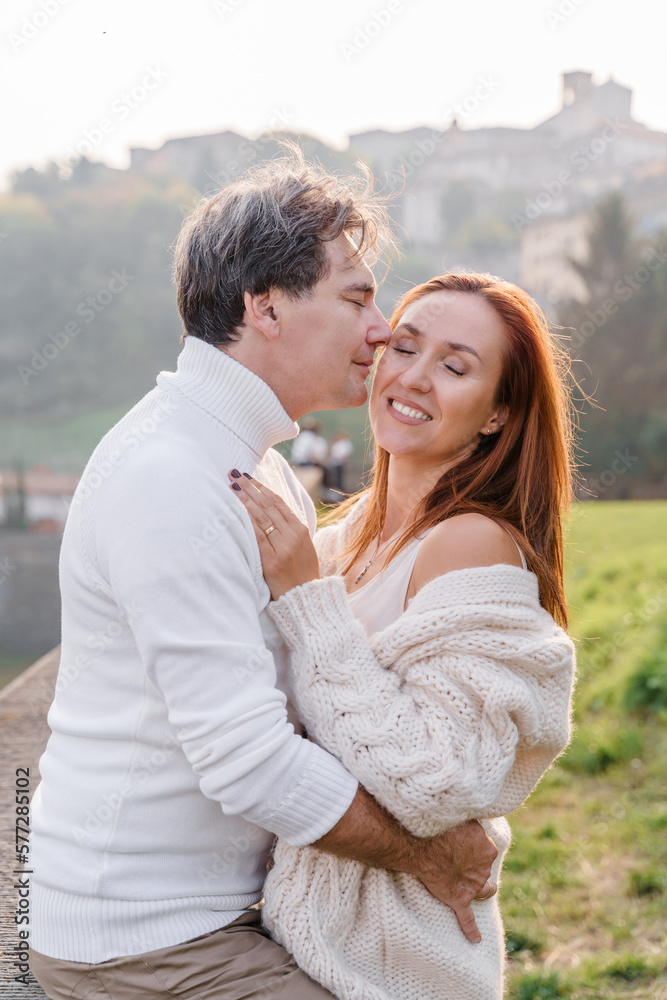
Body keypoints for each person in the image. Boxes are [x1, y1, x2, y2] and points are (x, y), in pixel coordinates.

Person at [28, 153, 499, 1000]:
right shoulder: (171, 475)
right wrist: (427, 851)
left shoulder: (254, 466)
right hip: (143, 942)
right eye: (355, 297)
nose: (380, 328)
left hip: (220, 914)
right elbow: (247, 761)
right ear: (266, 306)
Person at [228, 272, 578, 1000]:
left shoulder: (469, 543)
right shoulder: (347, 537)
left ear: (496, 415)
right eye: (405, 347)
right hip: (302, 938)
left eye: (454, 367)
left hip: (391, 967)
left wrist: (302, 595)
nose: (413, 378)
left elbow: (435, 779)